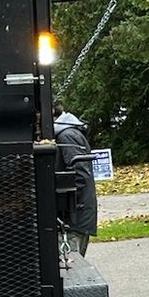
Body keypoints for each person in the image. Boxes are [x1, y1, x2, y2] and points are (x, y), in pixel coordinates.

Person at [52, 103, 98, 255]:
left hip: (74, 220)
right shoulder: (67, 133)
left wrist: (60, 205)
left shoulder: (67, 135)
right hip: (74, 217)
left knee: (69, 266)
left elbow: (80, 176)